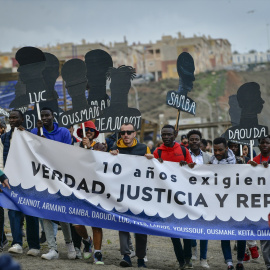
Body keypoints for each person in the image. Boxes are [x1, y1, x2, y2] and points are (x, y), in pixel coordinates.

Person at [31, 107, 76, 260]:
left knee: (62, 212)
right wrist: (37, 132)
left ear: (52, 116)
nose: (44, 118)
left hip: (60, 178)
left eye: (47, 115)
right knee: (45, 213)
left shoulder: (63, 132)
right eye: (42, 115)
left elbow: (65, 152)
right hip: (43, 179)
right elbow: (31, 150)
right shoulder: (36, 131)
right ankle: (52, 249)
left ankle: (69, 243)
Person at [110, 122, 153, 268]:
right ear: (120, 134)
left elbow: (152, 168)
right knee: (123, 225)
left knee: (141, 227)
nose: (126, 135)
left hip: (140, 194)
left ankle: (141, 258)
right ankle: (126, 256)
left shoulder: (143, 148)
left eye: (129, 132)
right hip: (122, 194)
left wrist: (151, 160)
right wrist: (111, 156)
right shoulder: (114, 149)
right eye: (123, 133)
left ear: (135, 133)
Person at [153, 125, 195, 270]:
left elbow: (193, 170)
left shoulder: (183, 150)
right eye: (163, 134)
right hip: (167, 199)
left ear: (175, 135)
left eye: (169, 134)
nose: (166, 137)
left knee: (186, 230)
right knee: (173, 232)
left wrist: (186, 166)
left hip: (184, 198)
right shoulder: (157, 152)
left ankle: (188, 257)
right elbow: (151, 172)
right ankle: (181, 260)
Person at [0, 110, 40, 257]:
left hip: (29, 182)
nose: (12, 120)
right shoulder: (4, 137)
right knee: (13, 212)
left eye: (15, 117)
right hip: (11, 181)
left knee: (31, 212)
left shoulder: (29, 136)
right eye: (10, 118)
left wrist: (27, 135)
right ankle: (17, 243)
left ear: (22, 119)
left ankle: (34, 245)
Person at [210, 137, 246, 270]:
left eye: (220, 150)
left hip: (238, 204)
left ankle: (240, 261)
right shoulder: (210, 163)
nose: (217, 153)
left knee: (241, 234)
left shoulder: (239, 161)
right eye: (215, 150)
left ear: (226, 149)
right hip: (221, 205)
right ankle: (229, 263)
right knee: (224, 233)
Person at [74, 120, 105, 264]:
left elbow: (99, 163)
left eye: (91, 130)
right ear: (80, 133)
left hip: (96, 189)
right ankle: (87, 241)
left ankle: (98, 253)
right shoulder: (74, 147)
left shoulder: (101, 146)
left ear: (94, 133)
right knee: (77, 224)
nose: (88, 132)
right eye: (86, 130)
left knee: (96, 223)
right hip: (79, 189)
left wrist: (89, 149)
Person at [187, 130, 211, 269]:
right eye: (191, 139)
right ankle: (192, 249)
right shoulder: (184, 156)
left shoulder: (208, 158)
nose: (194, 142)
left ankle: (203, 258)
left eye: (196, 139)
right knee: (189, 227)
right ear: (188, 141)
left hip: (204, 197)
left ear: (200, 141)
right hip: (188, 197)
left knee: (204, 229)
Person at [249, 135, 270, 270]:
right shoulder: (254, 161)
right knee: (265, 238)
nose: (265, 145)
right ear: (258, 145)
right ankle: (268, 264)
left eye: (267, 143)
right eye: (262, 143)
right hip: (262, 204)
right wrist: (251, 169)